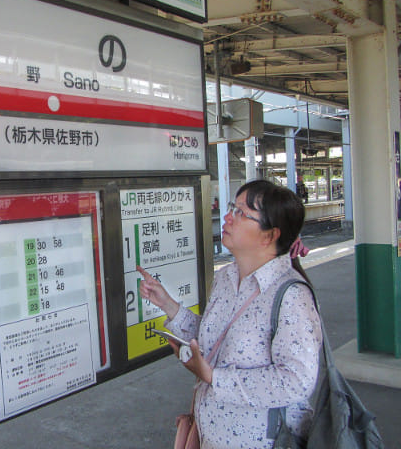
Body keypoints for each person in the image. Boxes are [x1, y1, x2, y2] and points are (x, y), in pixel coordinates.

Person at [137, 179, 321, 448]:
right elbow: (216, 339)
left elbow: (296, 381)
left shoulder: (292, 296)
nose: (227, 217)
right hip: (213, 437)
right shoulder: (225, 278)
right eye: (231, 208)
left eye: (240, 212)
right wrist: (169, 306)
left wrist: (214, 377)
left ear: (270, 235)